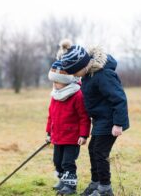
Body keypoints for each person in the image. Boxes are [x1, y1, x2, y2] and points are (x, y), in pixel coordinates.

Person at [57, 39, 130, 196]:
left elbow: (119, 99)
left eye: (74, 72)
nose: (74, 76)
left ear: (82, 66)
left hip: (110, 121)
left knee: (99, 152)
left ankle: (105, 189)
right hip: (99, 120)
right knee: (93, 149)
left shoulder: (104, 75)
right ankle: (96, 183)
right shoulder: (88, 75)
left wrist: (118, 124)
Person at [45, 45, 91, 195]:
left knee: (67, 162)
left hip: (72, 138)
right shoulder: (55, 95)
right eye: (54, 82)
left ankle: (70, 186)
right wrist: (48, 132)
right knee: (57, 161)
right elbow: (50, 115)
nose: (55, 85)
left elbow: (84, 117)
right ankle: (62, 181)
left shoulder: (77, 95)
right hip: (57, 136)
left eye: (58, 82)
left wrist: (83, 135)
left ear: (67, 81)